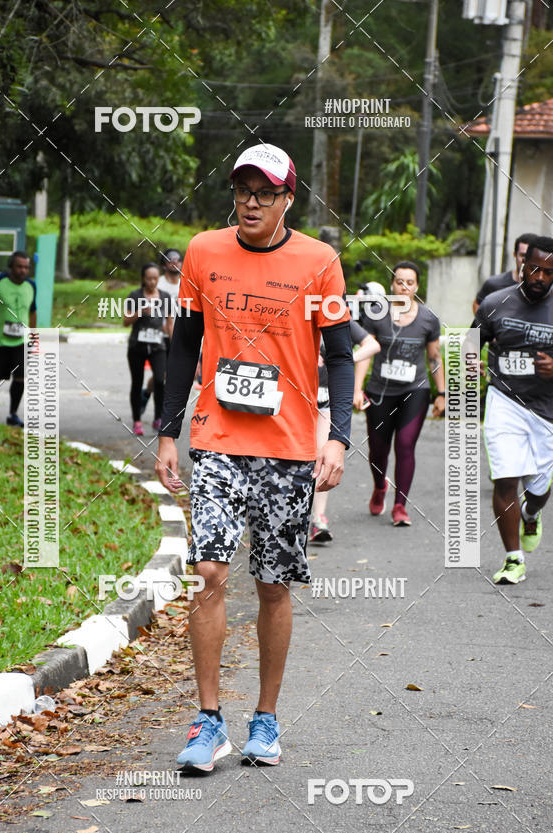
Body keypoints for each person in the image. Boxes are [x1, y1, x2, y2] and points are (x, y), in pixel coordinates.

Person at [155, 143, 354, 771]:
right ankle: (209, 721)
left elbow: (343, 356)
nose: (251, 201)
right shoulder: (203, 251)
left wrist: (339, 436)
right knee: (209, 573)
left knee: (272, 584)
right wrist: (167, 431)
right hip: (216, 440)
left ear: (288, 198)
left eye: (265, 192)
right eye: (243, 189)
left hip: (290, 449)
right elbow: (183, 346)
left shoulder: (319, 262)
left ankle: (265, 718)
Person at [472, 236, 553, 584]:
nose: (539, 277)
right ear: (522, 265)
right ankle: (513, 558)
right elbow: (471, 343)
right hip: (504, 400)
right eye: (533, 268)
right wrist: (472, 359)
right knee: (505, 477)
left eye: (548, 272)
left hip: (547, 410)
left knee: (538, 488)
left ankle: (531, 513)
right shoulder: (495, 301)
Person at [354, 261, 445, 526]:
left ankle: (400, 506)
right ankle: (380, 486)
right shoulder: (376, 314)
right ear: (392, 284)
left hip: (414, 391)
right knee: (378, 450)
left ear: (417, 287)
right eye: (399, 281)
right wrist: (358, 388)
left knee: (405, 445)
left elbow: (434, 358)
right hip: (380, 391)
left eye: (410, 282)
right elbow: (365, 353)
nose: (404, 287)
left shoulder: (428, 319)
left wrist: (441, 393)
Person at [310, 315, 380, 542]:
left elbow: (372, 345)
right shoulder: (295, 310)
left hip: (326, 399)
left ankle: (318, 519)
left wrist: (343, 359)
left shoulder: (336, 316)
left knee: (321, 457)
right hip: (294, 399)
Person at [0, 250, 36, 427]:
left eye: (26, 267)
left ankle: (13, 414)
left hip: (20, 342)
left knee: (20, 378)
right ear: (11, 266)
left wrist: (33, 336)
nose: (23, 271)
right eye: (19, 266)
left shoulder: (31, 285)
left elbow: (33, 311)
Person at [124, 263, 171, 435]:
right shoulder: (135, 295)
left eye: (155, 279)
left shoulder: (165, 297)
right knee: (137, 383)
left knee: (160, 381)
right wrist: (139, 312)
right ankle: (137, 420)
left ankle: (158, 418)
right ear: (143, 279)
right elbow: (125, 321)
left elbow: (169, 323)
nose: (152, 282)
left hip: (158, 346)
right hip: (137, 346)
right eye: (149, 279)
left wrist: (173, 347)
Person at [141, 250, 182, 416]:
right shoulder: (158, 285)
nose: (175, 263)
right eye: (170, 260)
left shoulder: (187, 282)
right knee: (164, 373)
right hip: (162, 335)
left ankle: (146, 392)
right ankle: (163, 411)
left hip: (183, 334)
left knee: (184, 372)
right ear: (164, 264)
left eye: (178, 260)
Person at [473, 232, 538, 315]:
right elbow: (477, 304)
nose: (525, 260)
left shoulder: (544, 288)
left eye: (530, 256)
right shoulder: (494, 284)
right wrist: (486, 325)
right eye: (523, 255)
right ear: (515, 255)